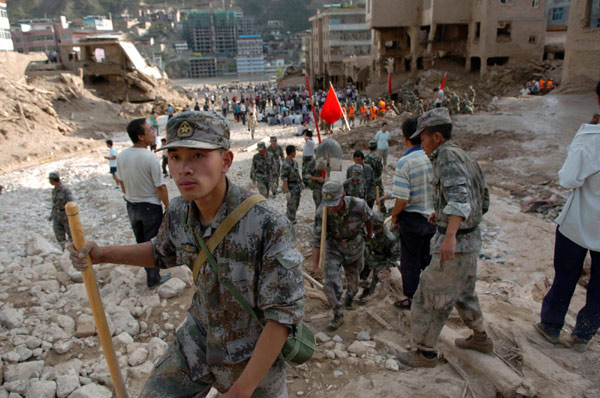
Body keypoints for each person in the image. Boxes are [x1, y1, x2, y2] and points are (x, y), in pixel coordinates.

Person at [68, 111, 304, 397]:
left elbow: (282, 316)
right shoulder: (179, 211)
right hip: (198, 341)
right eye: (175, 157)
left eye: (197, 155)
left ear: (226, 161)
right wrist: (102, 254)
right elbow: (160, 252)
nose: (183, 169)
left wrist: (242, 390)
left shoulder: (268, 223)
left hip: (253, 356)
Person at [396, 108, 493, 368]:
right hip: (470, 242)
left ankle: (425, 352)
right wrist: (441, 217)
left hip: (455, 245)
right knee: (464, 293)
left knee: (427, 296)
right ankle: (480, 337)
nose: (422, 145)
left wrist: (450, 234)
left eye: (424, 139)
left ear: (436, 137)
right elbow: (482, 201)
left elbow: (461, 200)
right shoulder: (464, 155)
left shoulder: (446, 157)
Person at [536, 121, 600, 353]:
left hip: (579, 222)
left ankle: (551, 325)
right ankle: (584, 333)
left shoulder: (590, 139)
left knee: (565, 274)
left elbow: (568, 179)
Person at [116, 118, 171, 289]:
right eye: (150, 130)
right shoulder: (150, 158)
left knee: (141, 243)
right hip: (150, 206)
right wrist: (168, 206)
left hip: (132, 205)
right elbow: (160, 186)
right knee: (152, 244)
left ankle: (150, 275)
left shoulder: (122, 155)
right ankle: (153, 278)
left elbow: (120, 180)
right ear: (140, 136)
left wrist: (129, 195)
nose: (153, 133)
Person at [311, 181, 374, 330]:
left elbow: (369, 218)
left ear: (343, 196)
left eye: (335, 203)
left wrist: (368, 235)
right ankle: (337, 314)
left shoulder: (358, 205)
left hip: (355, 247)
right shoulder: (322, 212)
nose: (332, 207)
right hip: (334, 248)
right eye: (329, 204)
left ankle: (350, 297)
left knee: (353, 279)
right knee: (330, 281)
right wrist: (316, 265)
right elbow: (316, 240)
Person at [390, 117, 435, 310]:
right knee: (429, 257)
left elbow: (402, 199)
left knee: (410, 260)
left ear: (405, 137)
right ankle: (433, 293)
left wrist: (394, 216)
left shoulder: (405, 162)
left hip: (412, 217)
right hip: (432, 216)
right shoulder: (432, 157)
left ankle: (412, 298)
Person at [357, 212, 401, 305]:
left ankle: (371, 294)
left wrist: (387, 268)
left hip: (382, 262)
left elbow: (396, 256)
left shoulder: (389, 239)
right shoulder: (367, 230)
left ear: (380, 228)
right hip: (369, 257)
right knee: (359, 275)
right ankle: (364, 286)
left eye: (374, 230)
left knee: (377, 281)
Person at [48, 171, 72, 250]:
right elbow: (54, 204)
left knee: (71, 233)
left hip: (65, 215)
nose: (49, 181)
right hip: (56, 215)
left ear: (53, 180)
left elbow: (70, 203)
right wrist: (52, 215)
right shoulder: (54, 191)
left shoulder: (65, 190)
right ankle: (63, 250)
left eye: (50, 179)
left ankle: (73, 249)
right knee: (59, 233)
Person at [281, 145, 302, 224]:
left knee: (296, 203)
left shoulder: (294, 162)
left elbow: (297, 172)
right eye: (294, 151)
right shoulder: (285, 165)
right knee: (291, 205)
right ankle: (290, 220)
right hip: (291, 188)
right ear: (292, 152)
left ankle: (291, 217)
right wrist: (287, 192)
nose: (295, 153)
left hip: (297, 187)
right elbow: (284, 179)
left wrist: (301, 181)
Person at [364, 140, 386, 213]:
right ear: (376, 148)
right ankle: (382, 216)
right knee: (380, 200)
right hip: (377, 181)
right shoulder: (377, 158)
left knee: (368, 201)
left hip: (368, 181)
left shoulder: (365, 158)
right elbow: (380, 170)